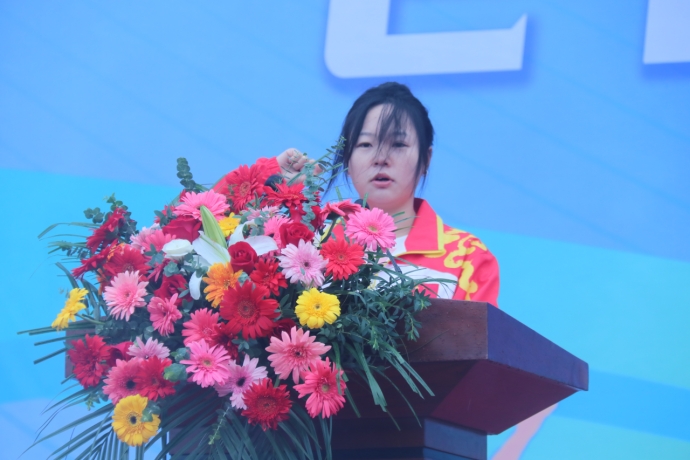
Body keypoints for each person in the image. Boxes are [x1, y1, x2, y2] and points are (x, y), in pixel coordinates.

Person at [214, 82, 499, 307]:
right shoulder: (309, 242)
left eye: (398, 144)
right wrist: (268, 174)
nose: (381, 158)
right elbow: (204, 219)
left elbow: (481, 355)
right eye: (365, 145)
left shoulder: (467, 256)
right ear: (347, 161)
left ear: (425, 159)